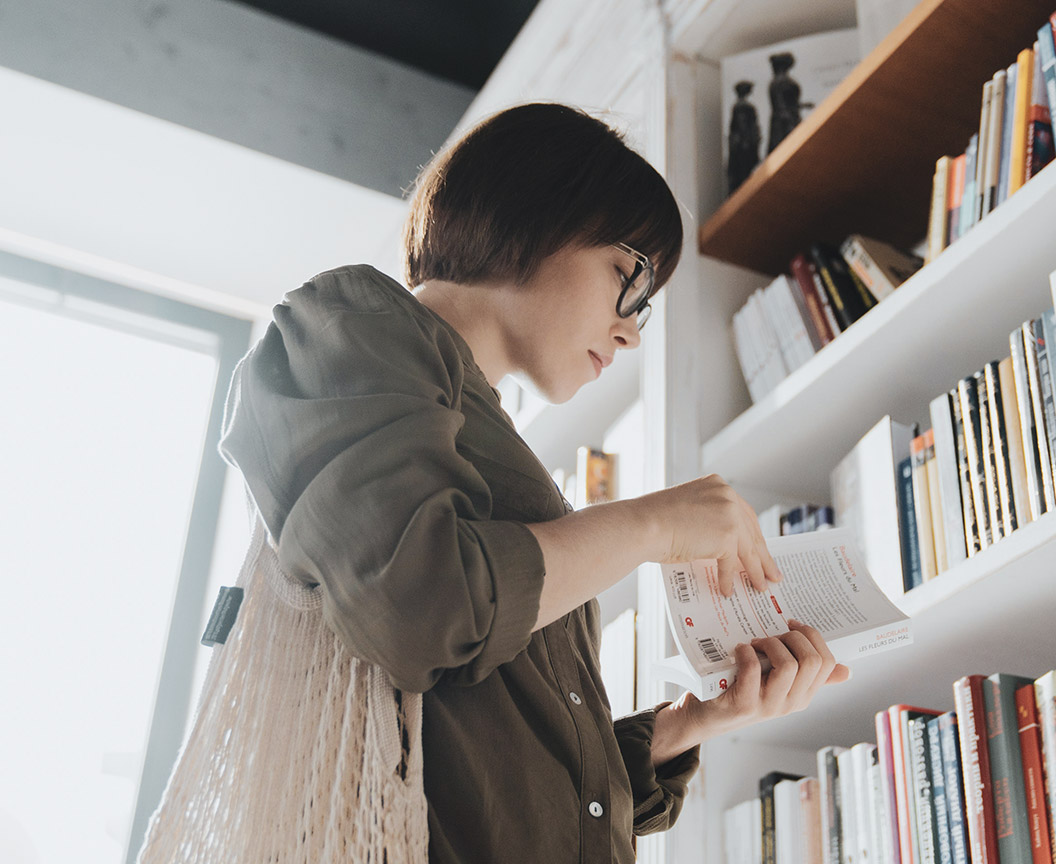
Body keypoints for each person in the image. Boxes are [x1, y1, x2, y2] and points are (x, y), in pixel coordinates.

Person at [217, 102, 848, 864]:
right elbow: (424, 611)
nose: (632, 330)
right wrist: (653, 525)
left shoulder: (493, 451)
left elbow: (507, 774)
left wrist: (696, 721)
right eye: (629, 275)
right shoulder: (355, 329)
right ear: (531, 216)